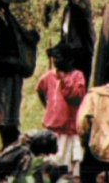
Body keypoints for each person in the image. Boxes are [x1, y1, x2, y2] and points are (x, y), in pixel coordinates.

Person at [0, 0, 39, 149]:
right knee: (7, 108)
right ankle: (10, 142)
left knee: (4, 108)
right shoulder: (8, 19)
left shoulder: (2, 20)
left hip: (7, 69)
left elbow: (2, 46)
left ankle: (10, 143)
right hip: (9, 68)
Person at [36, 47, 87, 180]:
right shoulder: (49, 76)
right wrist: (48, 106)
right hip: (54, 127)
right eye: (55, 58)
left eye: (60, 58)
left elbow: (76, 97)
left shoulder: (77, 76)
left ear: (70, 60)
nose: (56, 61)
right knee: (53, 164)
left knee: (71, 165)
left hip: (70, 128)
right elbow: (40, 89)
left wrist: (64, 79)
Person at [48, 0, 96, 80]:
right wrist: (56, 49)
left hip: (80, 60)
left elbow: (78, 4)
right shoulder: (67, 8)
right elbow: (66, 37)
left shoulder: (83, 5)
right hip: (70, 59)